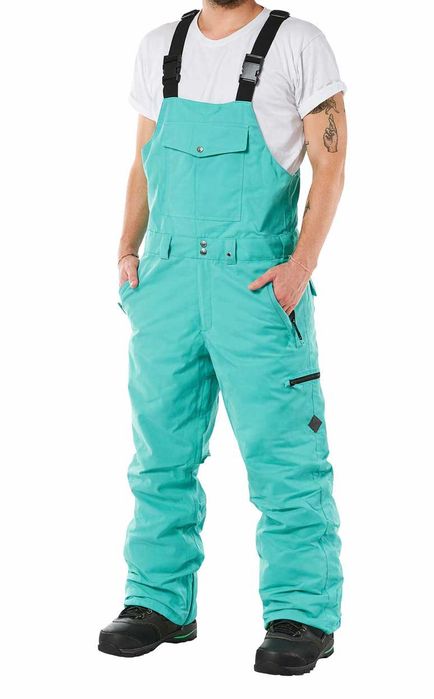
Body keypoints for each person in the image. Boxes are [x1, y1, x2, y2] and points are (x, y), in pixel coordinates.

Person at [98, 0, 347, 676]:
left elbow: (331, 165)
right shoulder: (160, 45)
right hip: (167, 279)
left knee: (286, 457)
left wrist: (300, 267)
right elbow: (144, 159)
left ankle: (302, 612)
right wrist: (126, 251)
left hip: (257, 284)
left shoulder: (298, 43)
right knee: (160, 454)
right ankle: (157, 601)